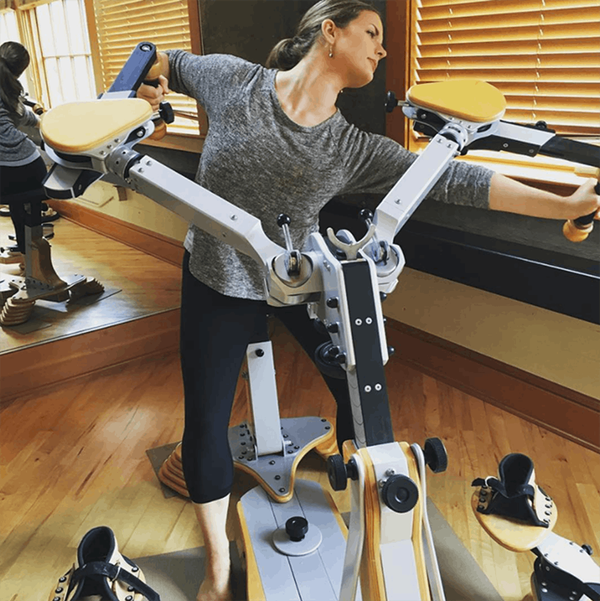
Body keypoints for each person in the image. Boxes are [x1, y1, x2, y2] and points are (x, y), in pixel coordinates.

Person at [136, 1, 600, 599]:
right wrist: (144, 90)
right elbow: (158, 59)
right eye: (372, 32)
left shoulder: (349, 147)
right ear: (329, 32)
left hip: (297, 277)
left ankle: (369, 524)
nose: (382, 49)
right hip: (218, 276)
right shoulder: (235, 81)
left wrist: (563, 204)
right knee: (205, 421)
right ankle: (218, 572)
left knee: (363, 393)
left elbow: (451, 180)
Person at [0, 41, 47, 265]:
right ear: (20, 71)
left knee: (16, 201)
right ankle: (31, 256)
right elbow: (25, 116)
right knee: (27, 201)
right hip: (31, 167)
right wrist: (42, 122)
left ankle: (28, 255)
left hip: (4, 173)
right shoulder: (12, 90)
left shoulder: (9, 90)